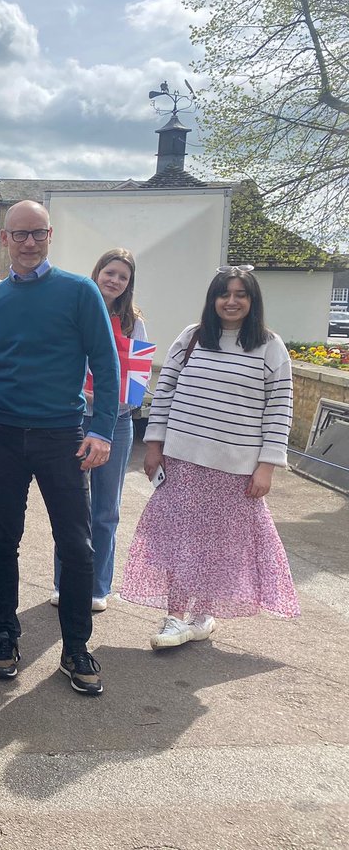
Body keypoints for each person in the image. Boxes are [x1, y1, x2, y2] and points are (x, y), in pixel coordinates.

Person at [0, 200, 118, 696]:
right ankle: (5, 633)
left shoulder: (79, 291)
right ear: (5, 239)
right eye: (19, 234)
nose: (29, 243)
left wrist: (103, 430)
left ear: (49, 236)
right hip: (2, 434)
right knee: (2, 539)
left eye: (38, 234)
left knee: (76, 543)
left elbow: (107, 364)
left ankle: (75, 647)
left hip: (61, 435)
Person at [121, 265, 299, 648]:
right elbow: (163, 392)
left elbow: (280, 410)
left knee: (218, 545)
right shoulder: (192, 338)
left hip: (235, 468)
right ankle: (174, 616)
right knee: (179, 540)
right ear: (212, 299)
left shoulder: (270, 346)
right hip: (182, 461)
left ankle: (201, 616)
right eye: (224, 294)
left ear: (253, 301)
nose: (231, 301)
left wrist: (266, 467)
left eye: (240, 294)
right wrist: (154, 445)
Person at [50, 248, 148, 612]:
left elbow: (137, 379)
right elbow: (60, 362)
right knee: (72, 506)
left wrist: (114, 394)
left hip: (117, 421)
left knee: (106, 509)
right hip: (75, 417)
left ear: (129, 284)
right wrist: (81, 390)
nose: (115, 281)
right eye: (110, 272)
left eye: (123, 276)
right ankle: (64, 583)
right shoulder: (76, 310)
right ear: (97, 272)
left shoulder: (134, 323)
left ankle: (97, 588)